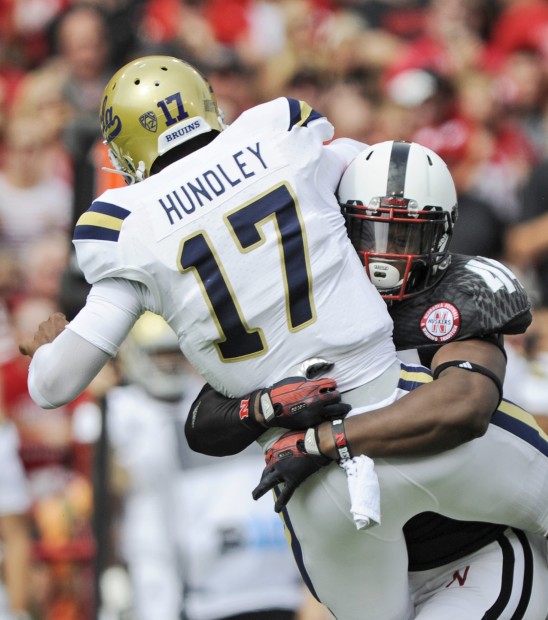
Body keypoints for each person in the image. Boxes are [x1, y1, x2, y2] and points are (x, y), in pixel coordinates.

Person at [19, 56, 548, 620]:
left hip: (313, 487)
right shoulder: (277, 138)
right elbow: (374, 167)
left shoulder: (128, 229)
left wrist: (54, 343)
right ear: (206, 106)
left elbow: (51, 385)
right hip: (404, 417)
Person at [185, 140, 548, 618]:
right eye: (371, 232)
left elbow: (463, 405)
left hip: (476, 550)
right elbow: (204, 424)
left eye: (405, 237)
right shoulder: (309, 303)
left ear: (441, 236)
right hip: (377, 567)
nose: (385, 256)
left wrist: (323, 441)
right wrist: (267, 405)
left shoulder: (458, 293)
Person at [105, 311, 311, 620]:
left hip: (234, 565)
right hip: (157, 552)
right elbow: (111, 486)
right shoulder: (119, 408)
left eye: (174, 354)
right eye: (160, 355)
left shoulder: (204, 400)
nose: (169, 363)